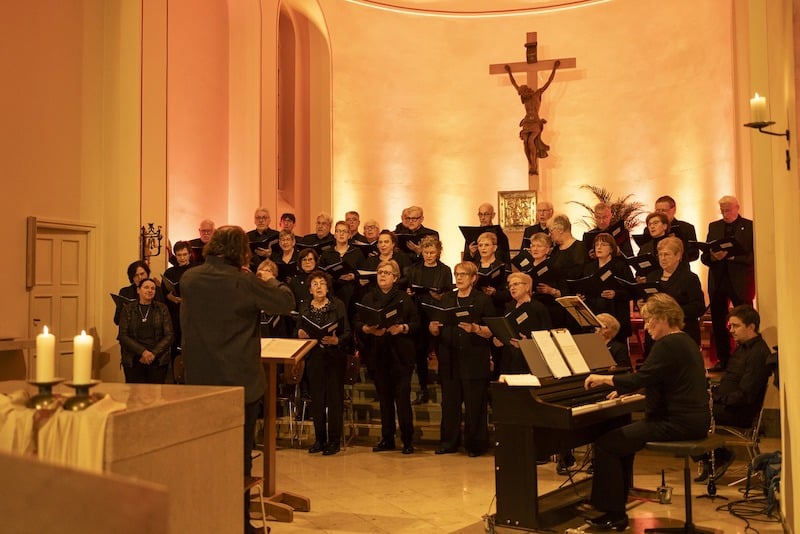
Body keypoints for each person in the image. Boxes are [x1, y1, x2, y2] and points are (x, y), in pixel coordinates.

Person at [179, 225, 294, 534]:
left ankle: (204, 520)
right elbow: (285, 302)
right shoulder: (243, 281)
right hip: (239, 383)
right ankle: (238, 525)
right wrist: (270, 280)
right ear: (241, 251)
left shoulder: (189, 278)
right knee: (238, 459)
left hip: (200, 382)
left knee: (204, 457)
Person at [583, 293, 710, 531]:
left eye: (650, 320)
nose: (647, 326)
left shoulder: (668, 344)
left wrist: (605, 379)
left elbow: (643, 377)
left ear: (663, 317)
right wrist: (627, 391)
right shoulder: (685, 340)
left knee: (607, 443)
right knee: (622, 443)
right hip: (692, 419)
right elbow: (661, 380)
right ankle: (615, 506)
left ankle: (612, 512)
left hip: (678, 422)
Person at [694, 305, 773, 482]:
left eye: (736, 326)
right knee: (684, 408)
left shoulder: (758, 353)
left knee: (688, 415)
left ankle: (718, 456)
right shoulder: (743, 348)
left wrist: (716, 399)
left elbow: (745, 395)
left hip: (739, 412)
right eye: (730, 326)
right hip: (727, 405)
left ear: (751, 327)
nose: (731, 331)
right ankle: (713, 457)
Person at [354, 260, 420, 455]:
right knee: (384, 400)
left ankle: (407, 440)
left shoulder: (403, 299)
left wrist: (401, 328)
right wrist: (366, 328)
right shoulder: (368, 298)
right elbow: (358, 321)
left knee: (402, 399)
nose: (382, 275)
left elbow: (416, 323)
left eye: (387, 273)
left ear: (395, 277)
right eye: (380, 272)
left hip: (400, 355)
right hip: (378, 354)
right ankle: (387, 438)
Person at [429, 261, 494, 457]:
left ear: (474, 278)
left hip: (474, 357)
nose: (458, 277)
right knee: (450, 404)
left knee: (475, 405)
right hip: (450, 357)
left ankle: (475, 444)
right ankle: (449, 442)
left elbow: (492, 331)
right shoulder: (447, 298)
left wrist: (475, 329)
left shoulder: (482, 300)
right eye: (457, 274)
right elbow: (436, 324)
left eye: (463, 274)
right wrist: (432, 328)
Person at [296, 270, 351, 456]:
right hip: (314, 357)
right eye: (315, 284)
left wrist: (337, 341)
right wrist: (300, 334)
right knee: (317, 400)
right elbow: (298, 329)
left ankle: (334, 441)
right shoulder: (304, 307)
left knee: (334, 399)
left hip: (334, 356)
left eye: (322, 283)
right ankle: (319, 439)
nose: (319, 287)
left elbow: (347, 332)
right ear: (310, 289)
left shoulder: (337, 305)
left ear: (327, 288)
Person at [701, 195, 755, 371]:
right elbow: (705, 256)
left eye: (728, 210)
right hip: (718, 281)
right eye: (722, 210)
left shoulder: (749, 226)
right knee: (718, 321)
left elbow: (753, 256)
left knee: (744, 318)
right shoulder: (714, 226)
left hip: (740, 281)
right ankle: (724, 360)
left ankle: (747, 359)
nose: (725, 213)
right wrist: (712, 256)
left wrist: (732, 257)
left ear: (737, 208)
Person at [405, 235, 453, 404]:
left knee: (442, 352)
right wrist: (410, 293)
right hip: (419, 314)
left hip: (437, 314)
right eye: (426, 252)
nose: (429, 255)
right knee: (420, 353)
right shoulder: (414, 269)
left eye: (432, 252)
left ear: (438, 253)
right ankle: (423, 389)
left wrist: (439, 296)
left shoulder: (445, 270)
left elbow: (449, 293)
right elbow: (408, 290)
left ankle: (446, 388)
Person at [641, 237, 705, 350]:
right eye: (660, 255)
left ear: (678, 256)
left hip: (681, 333)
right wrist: (643, 305)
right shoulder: (652, 276)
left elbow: (698, 307)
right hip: (655, 335)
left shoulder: (689, 278)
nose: (662, 258)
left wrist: (671, 311)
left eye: (666, 254)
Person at [504, 60, 560, 175]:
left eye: (523, 94)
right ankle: (530, 163)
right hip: (526, 123)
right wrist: (509, 72)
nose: (522, 97)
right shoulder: (525, 97)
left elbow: (548, 82)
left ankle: (534, 165)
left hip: (535, 123)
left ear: (526, 91)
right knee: (525, 142)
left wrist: (555, 68)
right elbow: (514, 84)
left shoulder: (537, 94)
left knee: (530, 141)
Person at [492, 272, 551, 374]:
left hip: (530, 362)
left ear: (527, 287)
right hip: (509, 361)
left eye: (516, 284)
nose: (512, 288)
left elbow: (547, 335)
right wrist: (500, 339)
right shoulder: (509, 308)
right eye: (510, 286)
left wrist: (527, 344)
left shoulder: (538, 308)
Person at [581, 233, 634, 345]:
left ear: (611, 249)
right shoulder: (589, 267)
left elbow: (632, 291)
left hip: (616, 313)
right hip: (595, 314)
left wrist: (616, 294)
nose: (599, 247)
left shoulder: (620, 266)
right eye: (597, 244)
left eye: (603, 244)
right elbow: (585, 287)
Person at [117, 278, 173, 384]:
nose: (150, 290)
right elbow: (123, 336)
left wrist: (152, 354)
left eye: (153, 288)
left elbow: (169, 335)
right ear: (138, 290)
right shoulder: (128, 309)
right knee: (135, 396)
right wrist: (143, 352)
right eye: (146, 287)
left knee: (156, 396)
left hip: (157, 359)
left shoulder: (162, 308)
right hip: (134, 359)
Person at [162, 241, 195, 379]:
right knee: (175, 347)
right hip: (175, 314)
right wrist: (171, 298)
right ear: (175, 255)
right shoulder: (169, 272)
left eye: (185, 254)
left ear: (190, 254)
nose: (182, 258)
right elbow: (164, 293)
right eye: (179, 255)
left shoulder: (196, 270)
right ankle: (177, 377)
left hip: (193, 315)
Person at [319, 220, 365, 315]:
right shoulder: (327, 253)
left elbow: (363, 273)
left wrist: (353, 276)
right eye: (338, 231)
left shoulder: (357, 252)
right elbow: (321, 273)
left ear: (349, 235)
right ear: (335, 234)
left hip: (352, 293)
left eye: (344, 231)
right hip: (333, 292)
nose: (341, 234)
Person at [640, 195, 699, 261]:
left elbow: (694, 253)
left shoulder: (686, 228)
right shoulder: (648, 230)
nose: (660, 213)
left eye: (663, 210)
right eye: (657, 210)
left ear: (673, 210)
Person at [113, 260, 165, 325]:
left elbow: (164, 318)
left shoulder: (157, 290)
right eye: (136, 275)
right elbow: (117, 320)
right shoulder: (125, 292)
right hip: (131, 331)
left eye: (142, 274)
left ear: (147, 274)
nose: (140, 278)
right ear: (132, 277)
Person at [247, 207, 280, 272]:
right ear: (254, 221)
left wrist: (271, 254)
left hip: (272, 270)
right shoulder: (247, 236)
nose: (261, 220)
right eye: (258, 218)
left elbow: (282, 255)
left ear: (269, 220)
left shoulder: (277, 235)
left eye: (264, 218)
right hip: (253, 270)